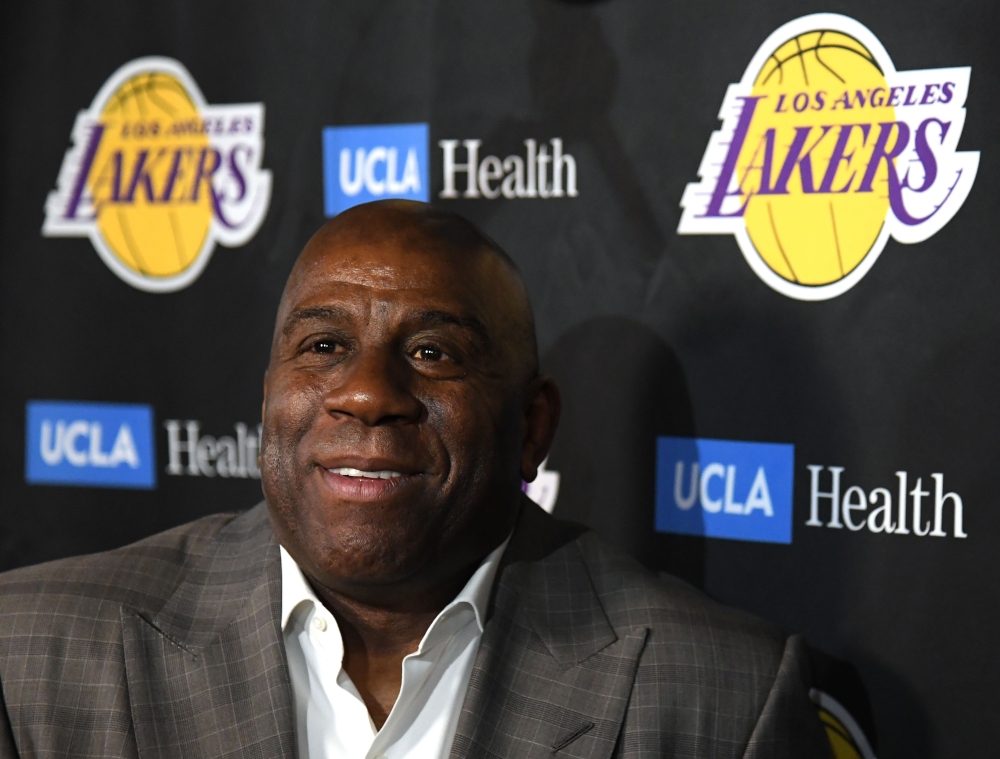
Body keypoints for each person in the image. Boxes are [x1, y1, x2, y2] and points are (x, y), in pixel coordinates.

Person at [0, 201, 831, 758]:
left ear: (531, 427)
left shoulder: (721, 698)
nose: (367, 392)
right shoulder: (28, 655)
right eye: (324, 346)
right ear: (268, 397)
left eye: (433, 352)